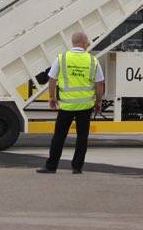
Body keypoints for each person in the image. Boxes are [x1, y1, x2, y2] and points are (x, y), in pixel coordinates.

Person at [36, 31, 105, 175]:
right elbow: (99, 84)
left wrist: (51, 97)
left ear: (73, 43)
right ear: (85, 43)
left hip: (66, 106)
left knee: (59, 136)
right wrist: (98, 101)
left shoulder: (62, 58)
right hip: (85, 106)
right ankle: (77, 167)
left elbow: (52, 79)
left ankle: (51, 166)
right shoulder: (93, 60)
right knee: (82, 137)